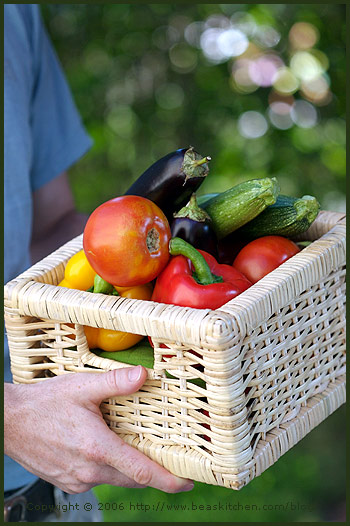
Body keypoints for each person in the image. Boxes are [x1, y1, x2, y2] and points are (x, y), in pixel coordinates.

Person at [4, 4, 194, 522]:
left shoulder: (16, 17)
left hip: (55, 489)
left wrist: (170, 254)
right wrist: (9, 416)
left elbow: (51, 225)